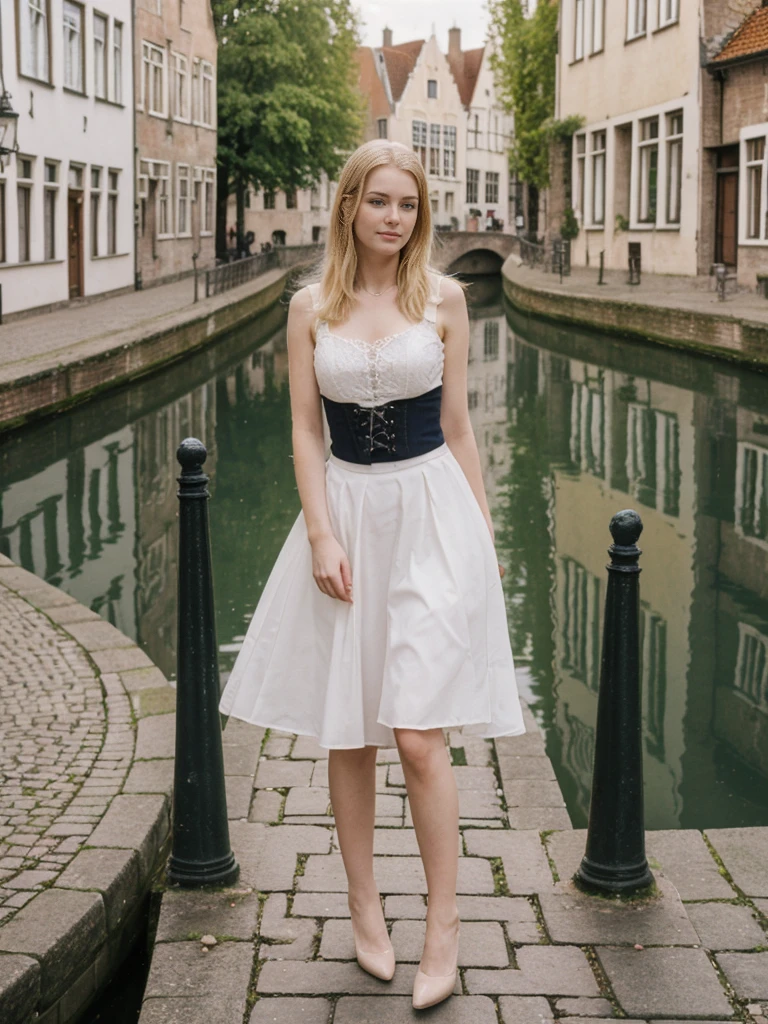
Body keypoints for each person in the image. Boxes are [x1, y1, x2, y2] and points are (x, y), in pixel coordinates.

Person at [218, 139, 525, 1010]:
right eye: (379, 201)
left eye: (409, 204)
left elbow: (460, 425)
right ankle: (362, 908)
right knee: (348, 731)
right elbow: (307, 431)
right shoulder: (310, 307)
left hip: (430, 516)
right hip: (348, 516)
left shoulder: (449, 300)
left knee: (419, 735)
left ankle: (444, 925)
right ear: (350, 204)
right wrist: (320, 533)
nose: (395, 217)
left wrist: (483, 535)